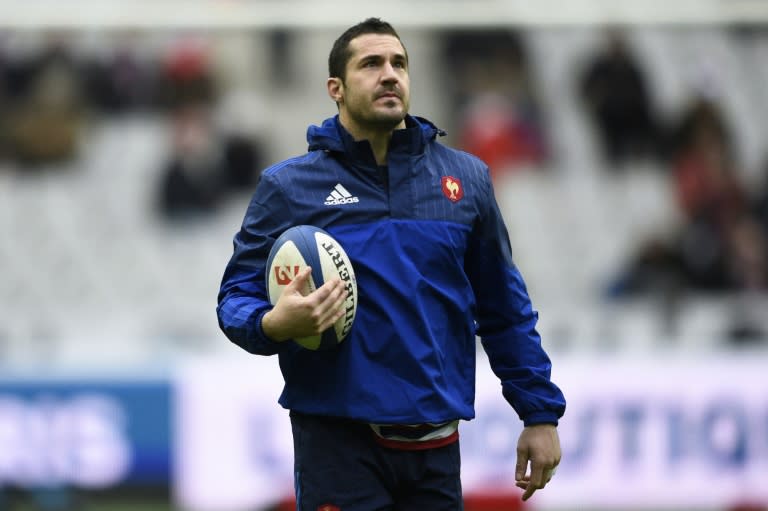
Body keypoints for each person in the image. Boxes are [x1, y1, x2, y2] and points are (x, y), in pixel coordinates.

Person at [217, 18, 565, 510]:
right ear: (335, 89)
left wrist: (539, 414)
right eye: (371, 64)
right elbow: (235, 297)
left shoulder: (466, 180)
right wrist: (272, 323)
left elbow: (504, 309)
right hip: (337, 444)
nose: (389, 74)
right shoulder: (288, 187)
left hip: (436, 448)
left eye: (399, 63)